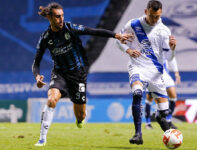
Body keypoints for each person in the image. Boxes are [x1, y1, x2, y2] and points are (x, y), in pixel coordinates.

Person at [32, 2, 131, 146]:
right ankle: (42, 139)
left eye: (62, 16)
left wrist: (116, 35)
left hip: (78, 75)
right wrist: (37, 75)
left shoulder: (70, 28)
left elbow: (94, 31)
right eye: (58, 17)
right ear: (50, 17)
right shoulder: (46, 38)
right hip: (59, 73)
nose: (61, 19)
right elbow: (36, 61)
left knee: (81, 115)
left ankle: (79, 120)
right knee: (51, 100)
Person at [116, 0, 176, 145]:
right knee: (137, 93)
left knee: (163, 115)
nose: (155, 19)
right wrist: (128, 50)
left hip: (156, 73)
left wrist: (173, 49)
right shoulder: (133, 24)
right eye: (152, 16)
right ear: (146, 11)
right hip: (137, 67)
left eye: (157, 16)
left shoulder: (164, 31)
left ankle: (169, 133)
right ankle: (138, 134)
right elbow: (118, 41)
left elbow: (169, 58)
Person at [145, 57, 181, 130]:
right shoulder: (148, 47)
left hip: (165, 75)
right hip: (153, 75)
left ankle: (168, 120)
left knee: (173, 96)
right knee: (149, 98)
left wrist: (176, 73)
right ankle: (148, 123)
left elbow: (171, 57)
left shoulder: (164, 47)